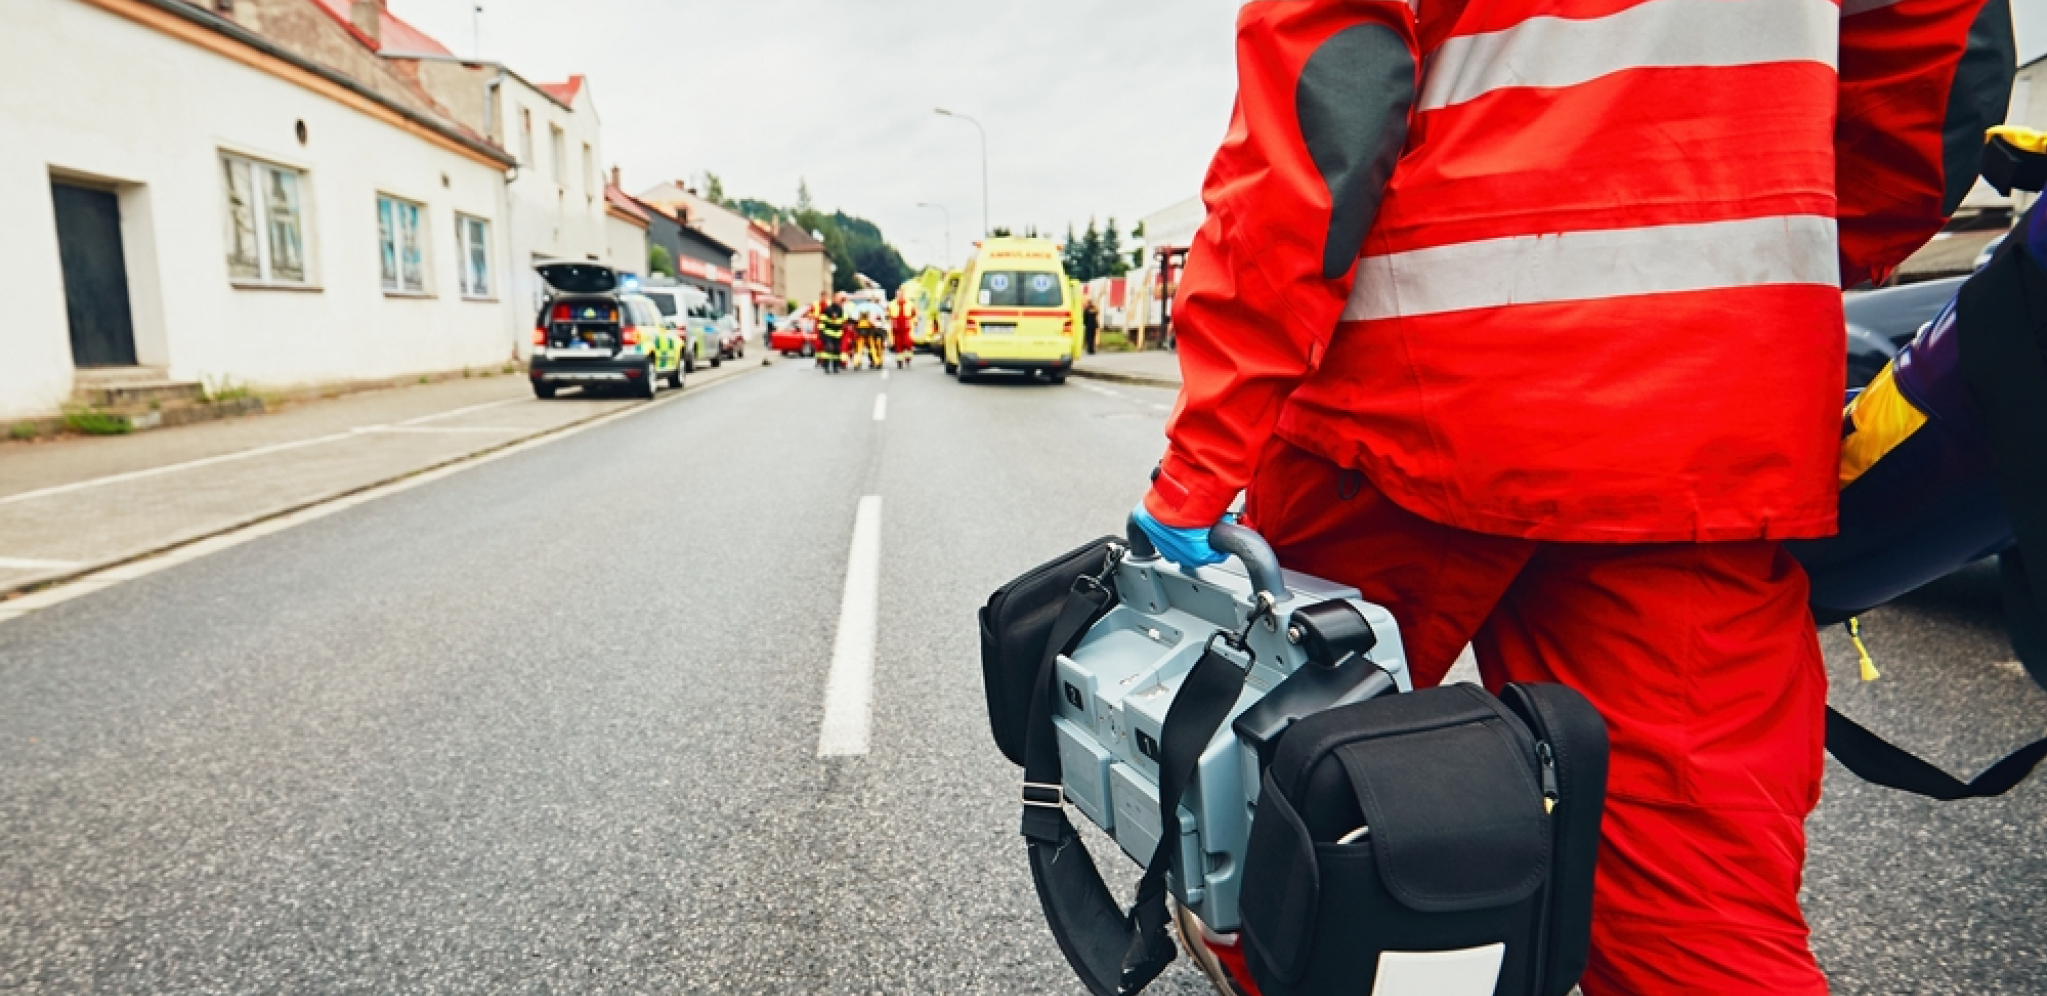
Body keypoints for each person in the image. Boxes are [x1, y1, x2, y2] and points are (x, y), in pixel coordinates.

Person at [1128, 3, 2014, 994]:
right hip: (1701, 420)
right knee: (1696, 924)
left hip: (1400, 408)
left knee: (1284, 815)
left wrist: (1205, 455)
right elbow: (1942, 62)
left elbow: (1321, 107)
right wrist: (1753, 253)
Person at [817, 292, 846, 374]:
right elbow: (822, 322)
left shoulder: (840, 309)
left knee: (837, 350)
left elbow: (841, 321)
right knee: (828, 349)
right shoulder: (827, 309)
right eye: (836, 298)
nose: (838, 300)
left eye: (838, 298)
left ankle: (835, 367)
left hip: (837, 334)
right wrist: (821, 333)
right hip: (827, 334)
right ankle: (826, 366)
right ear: (833, 299)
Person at [889, 289, 917, 368]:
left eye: (901, 295)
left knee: (907, 343)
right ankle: (899, 361)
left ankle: (908, 358)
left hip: (907, 325)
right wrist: (890, 324)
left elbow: (914, 314)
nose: (900, 296)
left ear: (904, 295)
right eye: (898, 295)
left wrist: (915, 322)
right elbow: (888, 315)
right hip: (896, 326)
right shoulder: (891, 304)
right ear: (896, 295)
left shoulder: (910, 304)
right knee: (898, 344)